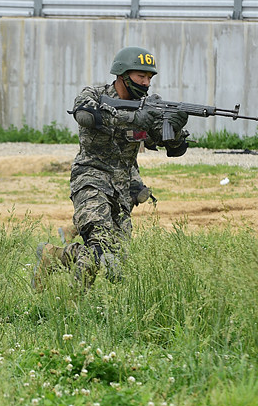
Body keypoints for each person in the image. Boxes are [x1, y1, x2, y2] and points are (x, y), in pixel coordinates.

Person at [34, 46, 189, 288]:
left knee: (116, 259)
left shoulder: (148, 106)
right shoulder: (93, 95)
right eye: (141, 76)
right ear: (122, 74)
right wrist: (130, 118)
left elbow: (171, 146)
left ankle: (55, 255)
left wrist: (175, 127)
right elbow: (85, 115)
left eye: (149, 78)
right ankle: (73, 313)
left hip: (122, 190)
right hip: (90, 180)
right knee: (99, 245)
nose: (146, 83)